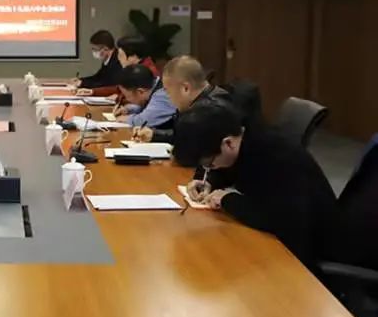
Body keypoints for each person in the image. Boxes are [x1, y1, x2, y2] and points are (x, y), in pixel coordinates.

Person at [173, 100, 343, 270]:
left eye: (209, 164)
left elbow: (279, 218)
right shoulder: (241, 135)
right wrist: (208, 180)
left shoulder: (274, 156)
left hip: (306, 251)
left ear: (228, 143)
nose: (209, 168)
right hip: (287, 232)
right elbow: (227, 165)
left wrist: (228, 200)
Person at [133, 55, 230, 143]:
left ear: (185, 88)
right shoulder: (201, 102)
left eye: (168, 91)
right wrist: (154, 135)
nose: (168, 97)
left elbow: (189, 146)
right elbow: (183, 135)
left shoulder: (209, 111)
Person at [112, 64, 176, 129]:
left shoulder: (163, 94)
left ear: (140, 92)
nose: (127, 99)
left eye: (127, 96)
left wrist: (128, 119)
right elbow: (149, 107)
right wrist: (129, 109)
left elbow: (145, 120)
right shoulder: (153, 86)